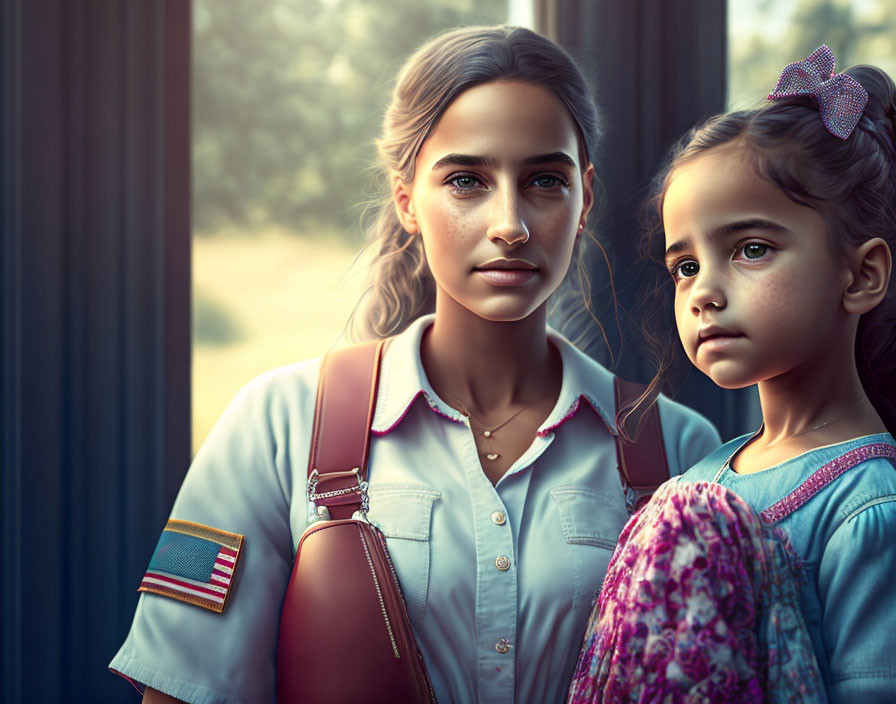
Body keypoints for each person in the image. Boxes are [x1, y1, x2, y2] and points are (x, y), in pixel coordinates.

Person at [110, 25, 720, 704]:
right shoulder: (275, 424)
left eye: (546, 179)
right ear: (406, 198)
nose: (510, 223)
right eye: (466, 180)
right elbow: (178, 690)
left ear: (586, 199)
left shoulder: (681, 452)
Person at [570, 46, 896, 703]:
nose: (702, 293)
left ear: (861, 274)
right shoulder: (698, 479)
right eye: (684, 265)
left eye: (751, 249)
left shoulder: (870, 504)